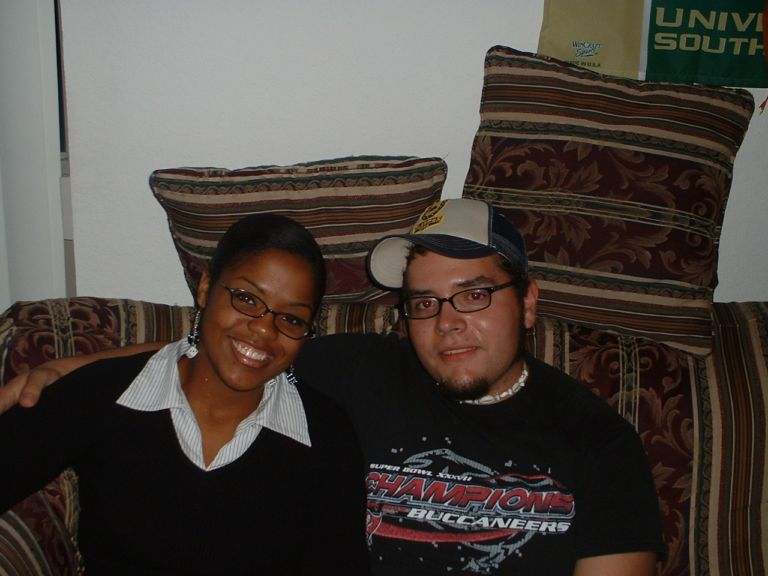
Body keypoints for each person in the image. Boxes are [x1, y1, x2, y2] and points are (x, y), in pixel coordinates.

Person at [1, 199, 664, 575]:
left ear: (529, 301)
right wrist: (73, 367)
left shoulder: (599, 442)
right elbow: (244, 349)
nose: (448, 323)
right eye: (424, 302)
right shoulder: (358, 371)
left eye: (475, 294)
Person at [0, 214, 369, 575]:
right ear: (206, 288)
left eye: (291, 319)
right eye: (246, 299)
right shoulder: (104, 394)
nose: (264, 330)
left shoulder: (326, 437)